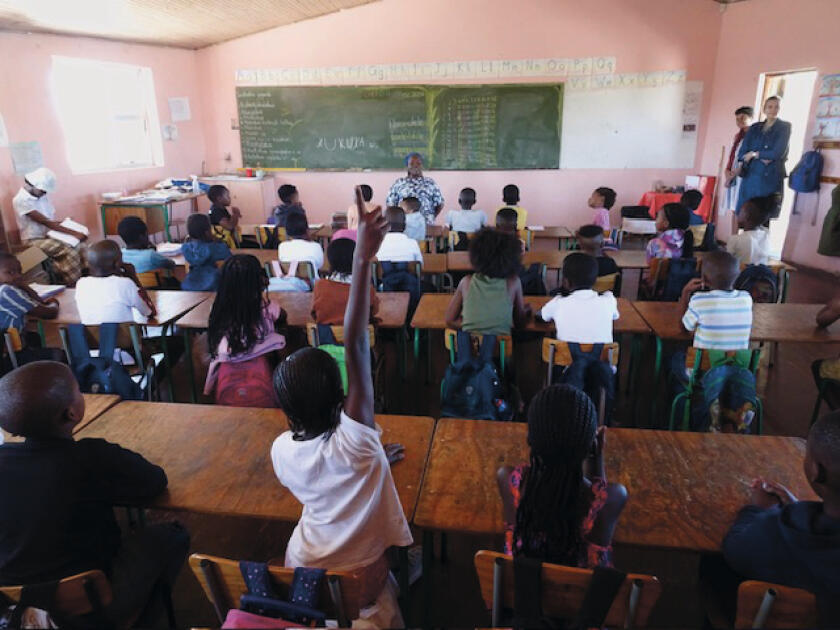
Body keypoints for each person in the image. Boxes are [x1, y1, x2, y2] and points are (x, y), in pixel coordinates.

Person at [271, 198, 411, 628]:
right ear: (341, 396)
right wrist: (365, 259)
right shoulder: (356, 441)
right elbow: (356, 345)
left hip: (304, 563)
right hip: (359, 573)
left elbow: (328, 475)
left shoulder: (281, 449)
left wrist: (373, 463)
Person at [0, 361, 190, 626]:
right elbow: (155, 481)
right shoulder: (91, 457)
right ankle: (141, 621)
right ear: (71, 413)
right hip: (94, 602)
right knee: (173, 534)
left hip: (16, 604)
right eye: (79, 390)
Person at [720, 411, 840, 624]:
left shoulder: (786, 531)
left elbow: (735, 546)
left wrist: (757, 508)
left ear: (817, 471)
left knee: (715, 568)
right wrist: (797, 508)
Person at [497, 384, 627, 567]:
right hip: (585, 594)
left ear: (529, 440)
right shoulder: (613, 497)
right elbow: (600, 496)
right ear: (591, 446)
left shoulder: (510, 480)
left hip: (521, 590)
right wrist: (597, 456)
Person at [204, 255, 287, 398]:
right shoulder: (266, 307)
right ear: (258, 281)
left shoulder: (218, 309)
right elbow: (283, 317)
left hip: (227, 365)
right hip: (263, 367)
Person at [445, 228, 531, 335]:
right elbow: (520, 324)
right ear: (511, 258)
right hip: (500, 349)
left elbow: (449, 320)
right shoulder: (513, 283)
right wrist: (525, 311)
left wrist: (471, 326)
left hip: (468, 349)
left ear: (476, 256)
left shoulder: (466, 282)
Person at [12, 168, 87, 286]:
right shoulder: (20, 200)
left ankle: (87, 279)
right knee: (68, 251)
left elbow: (50, 221)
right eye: (43, 190)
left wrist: (64, 223)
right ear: (33, 186)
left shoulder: (41, 196)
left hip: (50, 234)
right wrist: (74, 233)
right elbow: (45, 222)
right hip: (33, 240)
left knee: (81, 245)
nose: (45, 193)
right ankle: (73, 284)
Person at [0, 253, 64, 371]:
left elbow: (39, 303)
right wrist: (55, 303)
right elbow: (49, 313)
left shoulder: (11, 288)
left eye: (19, 271)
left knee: (35, 337)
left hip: (14, 345)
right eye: (10, 272)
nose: (17, 275)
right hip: (9, 354)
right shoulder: (6, 291)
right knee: (61, 354)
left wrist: (24, 285)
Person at [679, 250, 753, 351]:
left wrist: (685, 292)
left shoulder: (699, 301)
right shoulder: (746, 299)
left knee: (676, 356)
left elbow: (684, 328)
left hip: (705, 366)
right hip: (737, 365)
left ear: (703, 279)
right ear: (737, 276)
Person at [736, 96, 792, 223]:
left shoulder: (784, 127)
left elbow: (778, 152)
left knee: (763, 218)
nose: (773, 110)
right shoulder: (755, 127)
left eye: (776, 106)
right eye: (770, 107)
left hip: (769, 178)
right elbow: (742, 152)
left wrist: (756, 155)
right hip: (751, 176)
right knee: (746, 215)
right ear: (764, 109)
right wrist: (760, 156)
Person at [540, 253, 618, 343]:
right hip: (601, 356)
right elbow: (615, 316)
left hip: (565, 356)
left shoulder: (557, 302)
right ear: (595, 281)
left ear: (566, 282)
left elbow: (543, 316)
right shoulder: (609, 301)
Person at [75, 240, 157, 325]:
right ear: (118, 263)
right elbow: (150, 312)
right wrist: (133, 277)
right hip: (125, 337)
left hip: (92, 338)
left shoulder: (81, 284)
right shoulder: (125, 284)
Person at [312, 238, 379, 325]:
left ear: (330, 261)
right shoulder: (366, 289)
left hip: (325, 336)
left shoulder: (320, 286)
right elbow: (374, 311)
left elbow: (314, 313)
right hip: (360, 336)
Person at [385, 153, 444, 225]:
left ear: (422, 165)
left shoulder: (430, 182)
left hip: (426, 224)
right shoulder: (399, 183)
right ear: (407, 166)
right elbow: (391, 204)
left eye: (418, 163)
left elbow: (440, 204)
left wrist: (431, 217)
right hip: (405, 224)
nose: (415, 166)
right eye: (411, 164)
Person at [182, 214, 231, 292]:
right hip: (214, 286)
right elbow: (230, 263)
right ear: (207, 231)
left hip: (189, 287)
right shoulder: (218, 248)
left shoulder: (186, 248)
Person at [721, 106, 754, 217]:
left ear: (751, 118)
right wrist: (727, 170)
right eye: (737, 119)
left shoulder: (755, 136)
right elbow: (732, 156)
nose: (739, 121)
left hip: (745, 174)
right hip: (733, 173)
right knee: (734, 207)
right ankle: (734, 234)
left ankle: (743, 233)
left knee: (743, 207)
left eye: (743, 117)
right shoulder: (737, 136)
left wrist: (736, 171)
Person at [727, 197, 771, 265]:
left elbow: (726, 262)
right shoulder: (766, 234)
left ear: (746, 216)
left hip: (742, 274)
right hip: (761, 273)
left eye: (741, 210)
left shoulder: (734, 240)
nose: (738, 213)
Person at [207, 184, 242, 248]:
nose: (229, 198)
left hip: (227, 240)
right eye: (227, 196)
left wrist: (235, 216)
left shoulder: (221, 208)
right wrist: (235, 215)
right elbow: (229, 226)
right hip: (222, 244)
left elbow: (232, 224)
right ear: (219, 199)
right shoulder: (216, 211)